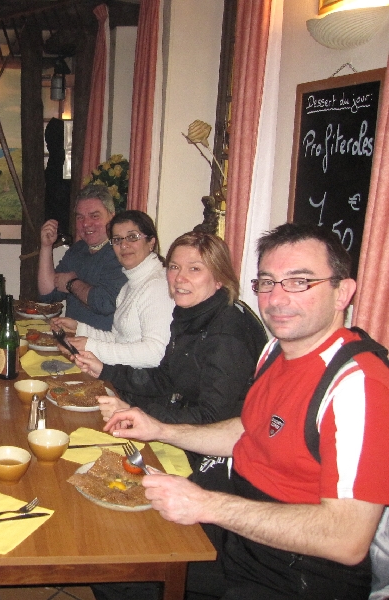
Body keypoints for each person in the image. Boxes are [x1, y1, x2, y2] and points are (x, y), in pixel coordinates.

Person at [104, 223, 389, 600]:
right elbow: (248, 429)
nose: (277, 298)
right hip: (240, 537)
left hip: (294, 574)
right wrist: (160, 429)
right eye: (268, 282)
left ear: (343, 293)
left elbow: (347, 539)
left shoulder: (359, 384)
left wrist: (206, 504)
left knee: (130, 575)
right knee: (113, 550)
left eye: (299, 281)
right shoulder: (276, 351)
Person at [75, 230, 267, 600]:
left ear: (220, 277)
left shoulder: (226, 331)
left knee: (116, 541)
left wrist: (140, 414)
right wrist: (107, 371)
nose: (179, 278)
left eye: (195, 269)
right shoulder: (191, 314)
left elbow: (213, 417)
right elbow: (165, 378)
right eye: (175, 267)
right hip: (191, 445)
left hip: (223, 469)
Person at [50, 210, 173, 367]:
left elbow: (156, 354)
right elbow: (117, 339)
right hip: (124, 375)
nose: (124, 245)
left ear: (151, 242)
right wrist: (79, 329)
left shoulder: (158, 286)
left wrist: (90, 346)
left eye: (132, 237)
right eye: (117, 239)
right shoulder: (129, 286)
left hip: (141, 381)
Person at [38, 184, 126, 332]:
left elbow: (105, 303)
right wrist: (46, 246)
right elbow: (48, 294)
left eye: (94, 216)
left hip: (103, 343)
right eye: (80, 217)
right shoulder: (78, 250)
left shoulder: (120, 251)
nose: (86, 223)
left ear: (112, 216)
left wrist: (71, 284)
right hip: (71, 340)